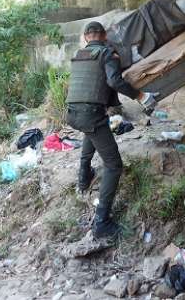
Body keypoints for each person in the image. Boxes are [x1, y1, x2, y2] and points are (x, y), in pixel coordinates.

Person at [65, 21, 158, 238]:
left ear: (86, 37)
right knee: (114, 165)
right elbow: (114, 81)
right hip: (90, 115)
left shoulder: (79, 55)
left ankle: (83, 178)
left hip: (72, 113)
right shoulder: (107, 54)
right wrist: (141, 96)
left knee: (93, 132)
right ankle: (101, 222)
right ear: (104, 36)